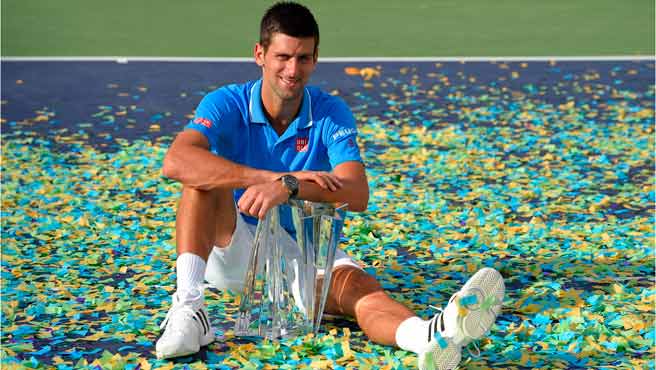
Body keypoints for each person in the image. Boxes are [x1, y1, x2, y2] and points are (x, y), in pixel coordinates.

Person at [156, 2, 505, 369]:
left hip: (308, 252)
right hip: (237, 245)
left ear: (316, 58)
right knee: (200, 181)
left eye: (303, 58)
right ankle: (189, 309)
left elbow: (357, 192)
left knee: (361, 293)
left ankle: (430, 337)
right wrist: (270, 180)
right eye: (283, 56)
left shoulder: (330, 112)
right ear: (259, 54)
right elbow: (177, 161)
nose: (293, 70)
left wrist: (290, 187)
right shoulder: (226, 102)